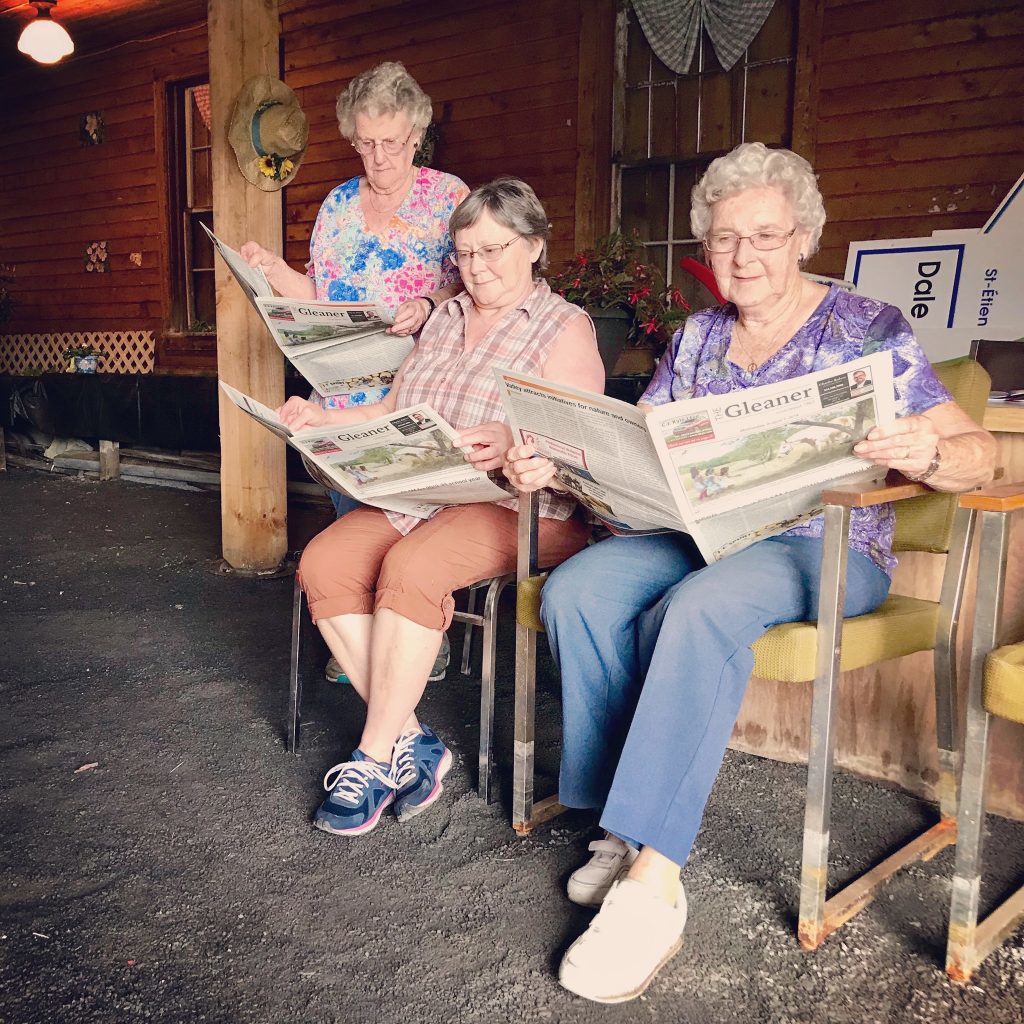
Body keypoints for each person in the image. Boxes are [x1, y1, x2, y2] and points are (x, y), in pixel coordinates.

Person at [503, 141, 997, 1004]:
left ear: (804, 235)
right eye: (726, 238)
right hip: (705, 535)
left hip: (826, 548)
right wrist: (572, 468)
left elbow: (979, 455)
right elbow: (646, 459)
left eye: (765, 235)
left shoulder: (868, 329)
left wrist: (930, 450)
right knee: (580, 591)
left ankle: (653, 883)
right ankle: (623, 821)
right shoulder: (696, 337)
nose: (744, 256)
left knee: (693, 611)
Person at [277, 177, 605, 837]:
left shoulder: (564, 326)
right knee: (325, 561)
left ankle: (371, 759)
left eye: (495, 250)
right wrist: (322, 420)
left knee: (413, 566)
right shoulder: (445, 317)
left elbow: (583, 443)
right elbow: (396, 410)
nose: (477, 268)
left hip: (527, 505)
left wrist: (516, 440)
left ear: (535, 246)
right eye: (465, 253)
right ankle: (414, 742)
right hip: (429, 493)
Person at [240, 61, 468, 683]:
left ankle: (423, 630)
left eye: (390, 141)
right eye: (365, 142)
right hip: (339, 388)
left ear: (415, 134)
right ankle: (364, 634)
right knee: (353, 517)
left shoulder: (448, 198)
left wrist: (427, 304)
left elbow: (474, 287)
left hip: (415, 384)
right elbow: (318, 294)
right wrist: (271, 274)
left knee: (409, 516)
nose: (378, 155)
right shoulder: (338, 204)